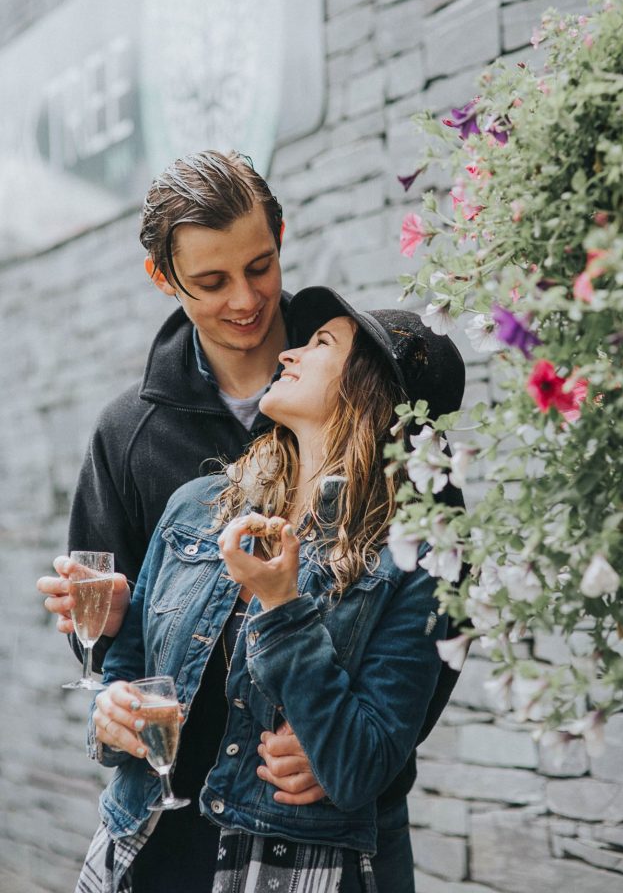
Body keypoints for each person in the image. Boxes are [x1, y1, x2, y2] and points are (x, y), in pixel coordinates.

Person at [36, 150, 464, 890]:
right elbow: (123, 648)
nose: (246, 298)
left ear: (280, 238)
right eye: (211, 281)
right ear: (163, 280)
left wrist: (353, 750)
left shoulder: (361, 367)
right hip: (161, 831)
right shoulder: (133, 440)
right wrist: (108, 676)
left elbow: (436, 625)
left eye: (259, 266)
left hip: (313, 841)